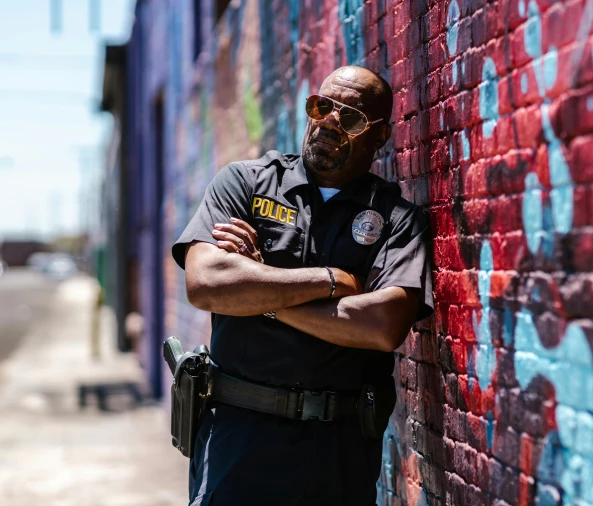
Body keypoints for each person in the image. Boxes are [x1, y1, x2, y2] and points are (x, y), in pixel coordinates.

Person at [172, 66, 433, 505]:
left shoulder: (396, 220)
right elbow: (207, 284)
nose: (329, 121)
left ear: (379, 136)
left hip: (338, 450)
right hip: (239, 441)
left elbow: (382, 325)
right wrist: (334, 281)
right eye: (321, 106)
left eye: (349, 117)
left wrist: (260, 294)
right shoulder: (245, 183)